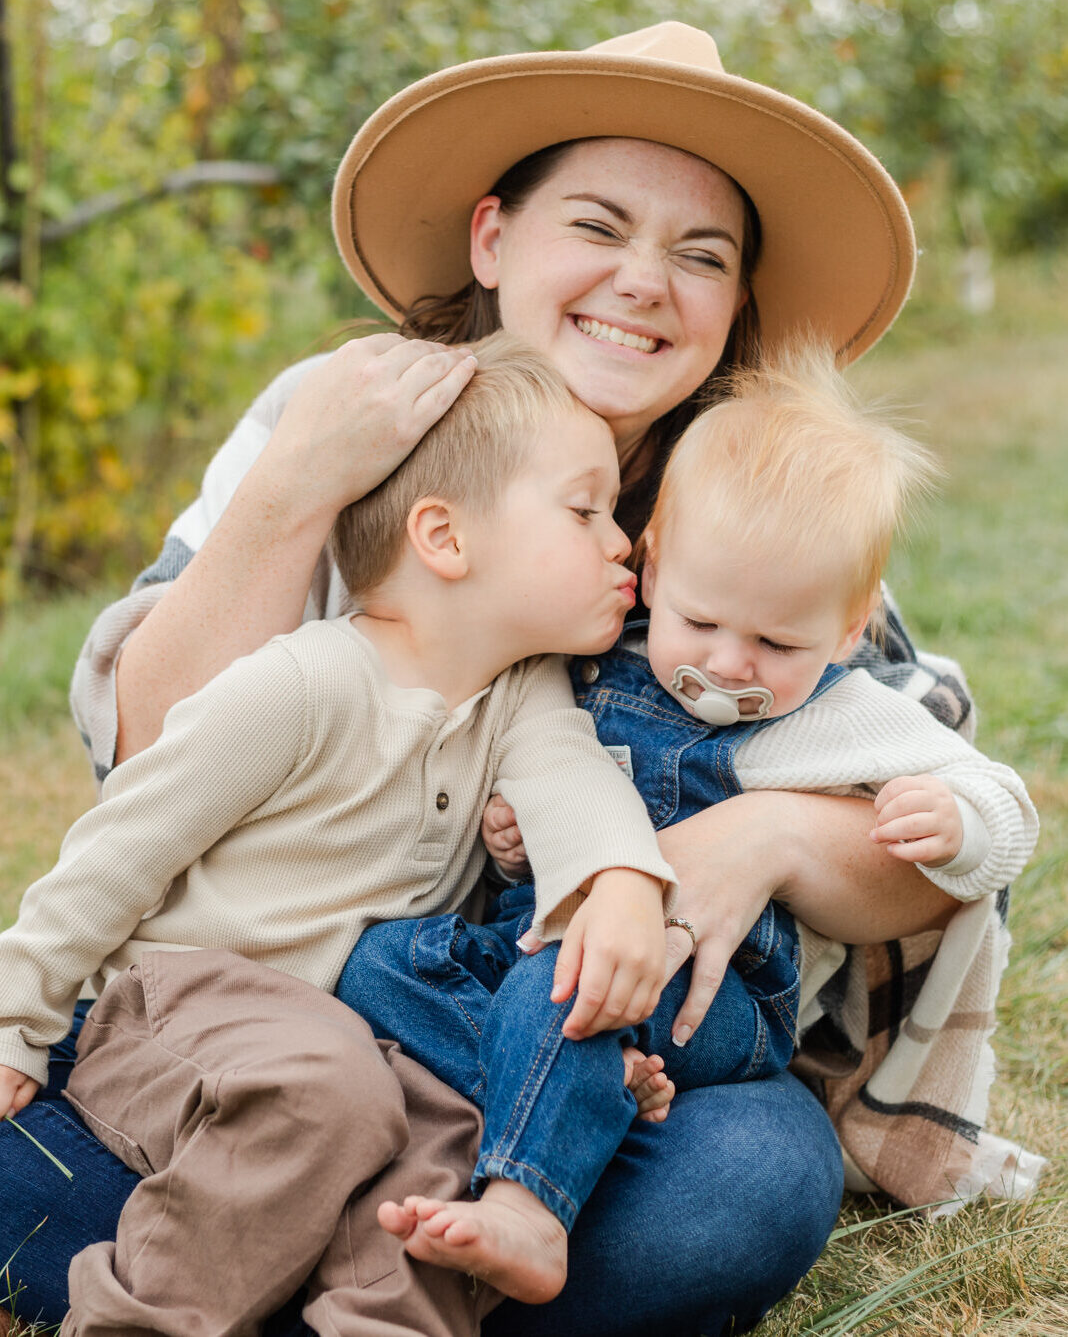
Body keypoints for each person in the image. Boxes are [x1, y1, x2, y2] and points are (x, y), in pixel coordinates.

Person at [1, 22, 1035, 1337]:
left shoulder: (760, 494)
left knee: (750, 1182)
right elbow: (154, 761)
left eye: (701, 256)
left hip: (572, 1061)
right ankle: (335, 1264)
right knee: (138, 1125)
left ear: (736, 306)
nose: (645, 283)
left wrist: (761, 831)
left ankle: (308, 1256)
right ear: (494, 238)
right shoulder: (344, 417)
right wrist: (290, 489)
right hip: (266, 1018)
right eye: (598, 226)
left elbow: (922, 821)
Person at [0, 336, 692, 1335]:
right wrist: (18, 1007)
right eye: (584, 510)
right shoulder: (303, 682)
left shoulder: (521, 694)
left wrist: (622, 883)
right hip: (176, 1016)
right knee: (333, 1085)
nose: (620, 541)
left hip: (352, 1051)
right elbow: (124, 844)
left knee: (447, 1132)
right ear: (445, 538)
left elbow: (573, 779)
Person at [341, 345, 1037, 1296]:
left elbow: (1009, 805)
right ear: (655, 565)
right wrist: (515, 848)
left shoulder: (838, 715)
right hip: (541, 948)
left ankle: (528, 1211)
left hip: (719, 998)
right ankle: (590, 1095)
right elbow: (539, 797)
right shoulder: (589, 664)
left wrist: (958, 818)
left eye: (777, 641)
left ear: (847, 630)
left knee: (569, 985)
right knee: (384, 961)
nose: (731, 662)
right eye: (704, 622)